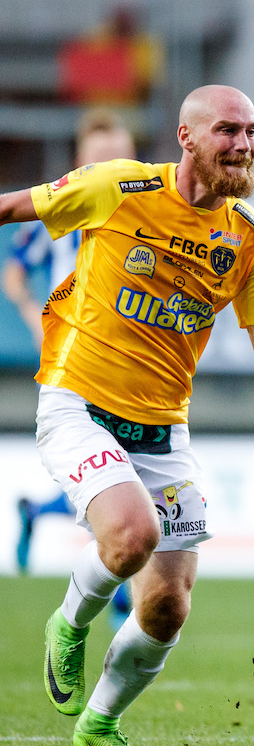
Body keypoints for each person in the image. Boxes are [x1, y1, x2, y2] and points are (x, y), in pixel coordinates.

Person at [0, 85, 254, 746]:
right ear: (187, 139)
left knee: (168, 607)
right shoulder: (114, 187)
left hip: (162, 431)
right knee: (132, 535)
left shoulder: (249, 239)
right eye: (227, 131)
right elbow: (12, 208)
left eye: (251, 131)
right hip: (78, 403)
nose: (242, 144)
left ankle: (99, 723)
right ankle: (68, 623)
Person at [6, 109, 138, 636]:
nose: (112, 168)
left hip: (129, 359)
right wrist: (37, 320)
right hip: (77, 357)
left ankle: (40, 513)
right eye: (101, 159)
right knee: (121, 471)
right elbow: (15, 274)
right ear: (82, 163)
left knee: (116, 474)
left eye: (120, 157)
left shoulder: (145, 212)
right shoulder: (65, 215)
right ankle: (119, 592)